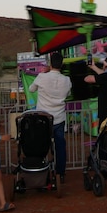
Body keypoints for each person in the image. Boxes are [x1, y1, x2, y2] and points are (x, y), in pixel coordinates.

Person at [29, 52, 72, 183]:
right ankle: (61, 172)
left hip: (43, 119)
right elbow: (68, 93)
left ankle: (40, 169)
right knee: (60, 146)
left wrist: (44, 72)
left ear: (50, 63)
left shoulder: (42, 77)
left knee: (40, 145)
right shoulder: (67, 80)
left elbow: (31, 89)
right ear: (62, 64)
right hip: (58, 118)